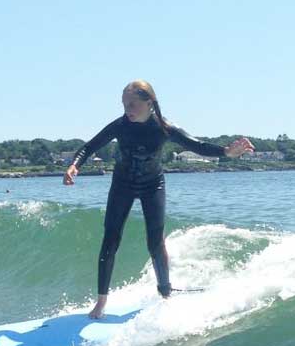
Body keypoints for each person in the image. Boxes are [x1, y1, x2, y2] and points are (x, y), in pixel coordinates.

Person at [63, 80, 254, 318]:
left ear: (149, 103)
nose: (127, 109)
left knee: (155, 241)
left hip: (153, 185)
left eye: (132, 104)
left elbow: (198, 146)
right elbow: (89, 147)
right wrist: (74, 166)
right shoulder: (120, 126)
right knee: (110, 240)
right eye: (124, 104)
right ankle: (101, 303)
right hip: (122, 184)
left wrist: (226, 152)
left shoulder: (164, 128)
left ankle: (166, 293)